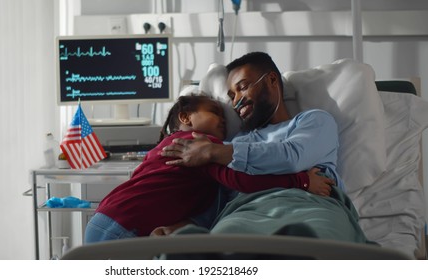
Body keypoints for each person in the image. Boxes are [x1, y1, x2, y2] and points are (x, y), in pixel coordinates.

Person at [157, 52, 370, 243]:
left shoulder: (313, 121)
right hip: (245, 213)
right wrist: (183, 225)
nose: (236, 102)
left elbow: (292, 157)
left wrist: (216, 152)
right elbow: (221, 196)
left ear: (271, 80)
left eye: (242, 87)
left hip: (313, 206)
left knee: (318, 250)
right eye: (231, 96)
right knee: (224, 252)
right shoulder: (237, 141)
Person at [83, 94, 334, 243]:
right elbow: (241, 180)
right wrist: (301, 181)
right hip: (124, 229)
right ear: (185, 117)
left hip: (102, 219)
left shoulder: (163, 148)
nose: (224, 119)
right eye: (215, 112)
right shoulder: (199, 144)